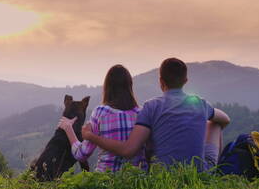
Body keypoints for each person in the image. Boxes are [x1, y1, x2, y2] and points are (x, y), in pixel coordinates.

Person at [82, 58, 230, 171]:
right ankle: (216, 176)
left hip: (162, 174)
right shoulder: (199, 103)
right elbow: (225, 119)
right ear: (185, 81)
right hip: (199, 172)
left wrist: (91, 136)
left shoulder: (151, 106)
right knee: (214, 124)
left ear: (161, 81)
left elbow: (128, 150)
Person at [57, 65, 148, 172]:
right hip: (138, 182)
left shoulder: (101, 112)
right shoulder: (142, 113)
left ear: (107, 87)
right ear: (130, 86)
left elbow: (81, 154)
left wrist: (68, 129)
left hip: (105, 182)